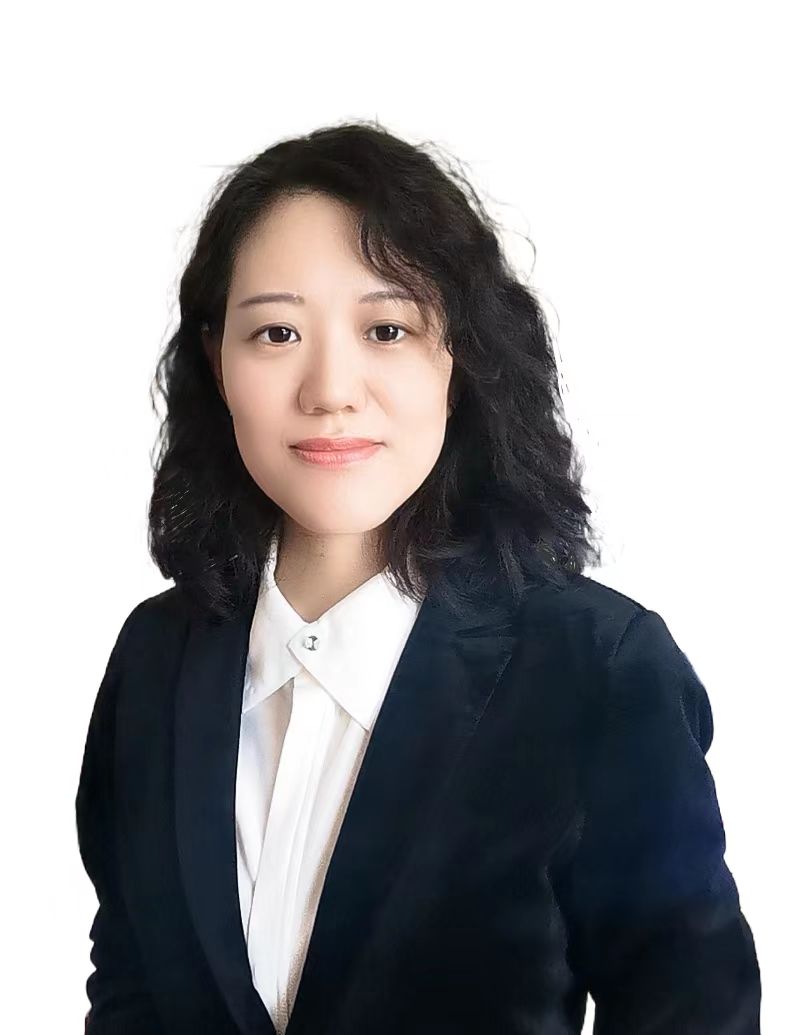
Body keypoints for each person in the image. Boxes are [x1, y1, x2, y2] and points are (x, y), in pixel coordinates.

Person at [75, 119, 761, 1034]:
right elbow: (126, 994)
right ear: (217, 360)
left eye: (386, 328)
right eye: (276, 332)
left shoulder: (597, 667)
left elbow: (693, 1013)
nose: (330, 388)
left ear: (457, 356)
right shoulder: (156, 658)